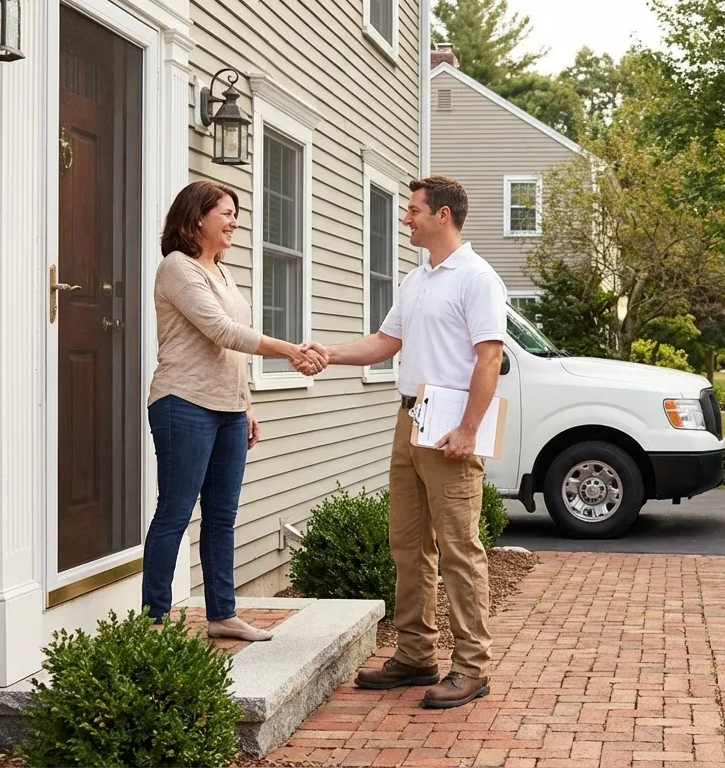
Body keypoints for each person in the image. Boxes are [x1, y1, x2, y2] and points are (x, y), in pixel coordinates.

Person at [300, 175, 506, 709]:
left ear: (442, 215)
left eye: (413, 211)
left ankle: (472, 667)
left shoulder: (477, 278)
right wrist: (329, 353)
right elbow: (386, 342)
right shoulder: (418, 278)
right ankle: (416, 654)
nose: (406, 219)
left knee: (460, 549)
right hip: (410, 418)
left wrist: (467, 428)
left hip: (452, 427)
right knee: (409, 544)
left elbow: (489, 358)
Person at [144, 180, 325, 642]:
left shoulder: (222, 272)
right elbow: (223, 331)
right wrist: (290, 350)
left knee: (222, 516)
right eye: (225, 212)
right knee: (175, 512)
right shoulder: (177, 268)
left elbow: (235, 351)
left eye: (235, 213)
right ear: (195, 218)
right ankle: (154, 621)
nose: (234, 221)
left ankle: (222, 614)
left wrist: (246, 405)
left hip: (227, 409)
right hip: (182, 403)